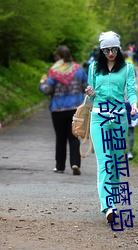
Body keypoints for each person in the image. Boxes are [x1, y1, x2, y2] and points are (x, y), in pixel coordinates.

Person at [85, 31, 138, 223]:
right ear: (101, 50)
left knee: (115, 163)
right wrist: (90, 92)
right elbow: (91, 97)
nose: (110, 53)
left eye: (114, 49)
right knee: (105, 161)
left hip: (119, 118)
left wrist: (133, 104)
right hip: (99, 118)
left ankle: (113, 200)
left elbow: (131, 90)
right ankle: (108, 206)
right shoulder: (93, 68)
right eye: (106, 50)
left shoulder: (127, 68)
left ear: (119, 48)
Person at [39, 45, 88, 175]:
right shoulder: (79, 70)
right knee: (74, 137)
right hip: (75, 109)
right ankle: (75, 163)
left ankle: (60, 166)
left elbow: (47, 90)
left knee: (60, 138)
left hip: (58, 109)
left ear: (58, 57)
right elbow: (86, 87)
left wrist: (42, 83)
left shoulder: (54, 71)